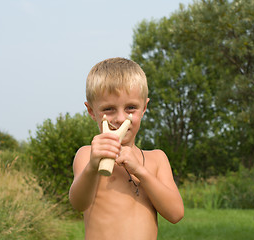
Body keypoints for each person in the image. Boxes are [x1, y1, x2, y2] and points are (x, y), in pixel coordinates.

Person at [69, 57, 184, 240]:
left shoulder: (157, 159)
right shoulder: (87, 155)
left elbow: (176, 214)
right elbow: (78, 203)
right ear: (91, 111)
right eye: (109, 109)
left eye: (131, 108)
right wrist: (92, 166)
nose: (121, 118)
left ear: (144, 107)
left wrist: (140, 170)